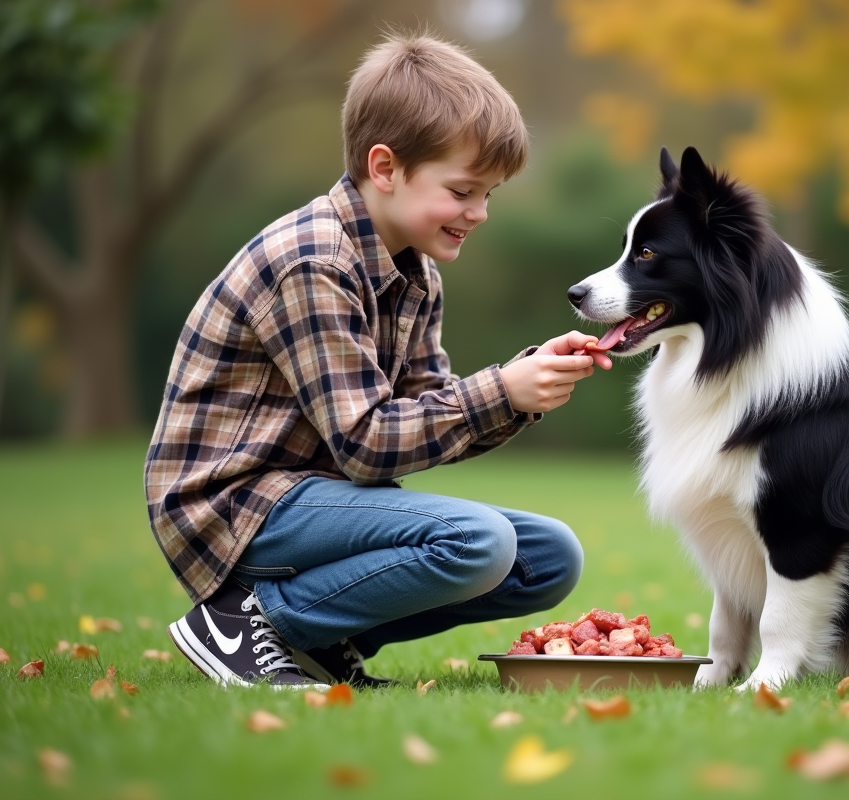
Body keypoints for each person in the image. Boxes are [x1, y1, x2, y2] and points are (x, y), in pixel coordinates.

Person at [144, 32, 601, 689]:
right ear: (385, 168)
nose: (480, 212)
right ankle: (248, 622)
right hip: (235, 502)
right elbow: (368, 444)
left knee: (549, 557)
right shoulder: (313, 261)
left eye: (489, 195)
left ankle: (321, 643)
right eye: (464, 190)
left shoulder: (412, 273)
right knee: (480, 543)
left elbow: (427, 424)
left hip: (316, 499)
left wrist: (526, 385)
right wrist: (501, 389)